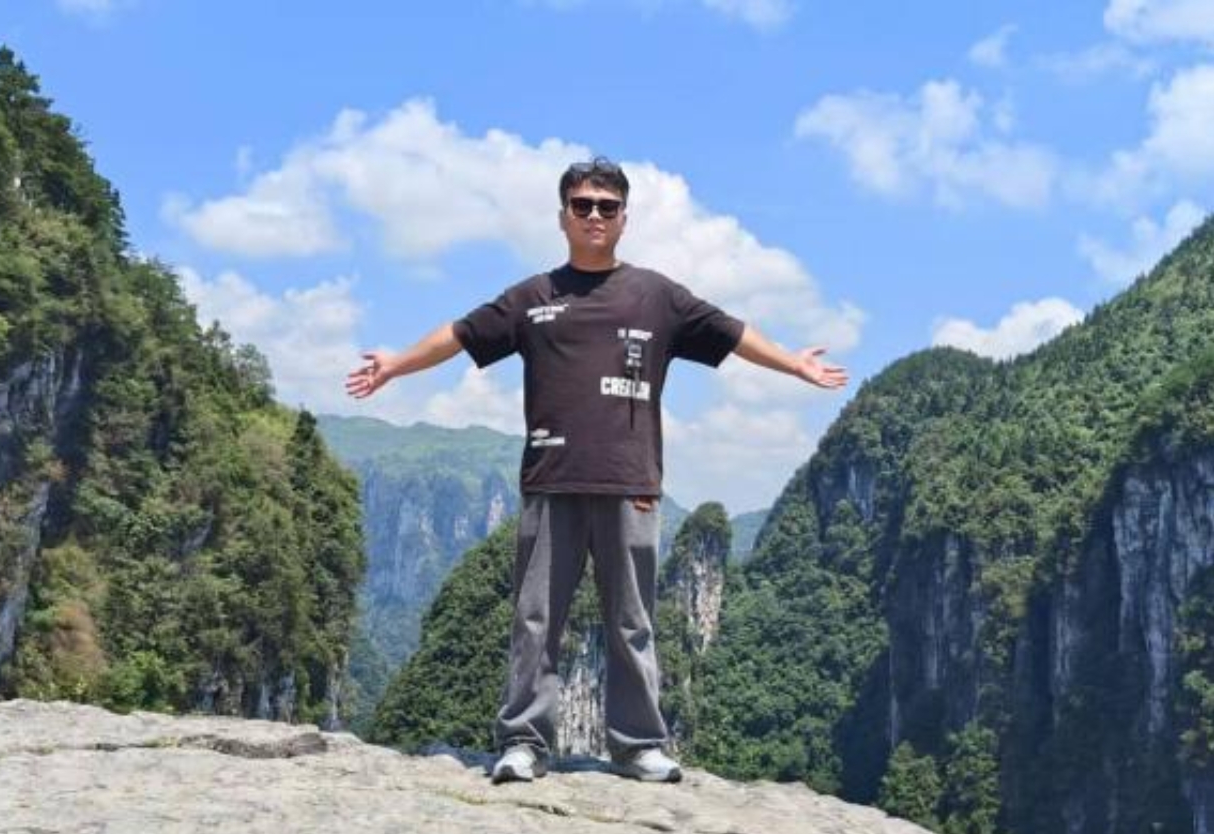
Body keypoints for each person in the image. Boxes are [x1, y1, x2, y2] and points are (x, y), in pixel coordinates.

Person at [346, 157, 848, 785]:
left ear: (623, 219)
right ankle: (524, 741)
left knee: (631, 621)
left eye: (606, 207)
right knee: (536, 619)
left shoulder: (657, 296)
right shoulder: (533, 298)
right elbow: (460, 334)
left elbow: (732, 332)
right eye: (581, 205)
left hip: (630, 484)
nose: (593, 216)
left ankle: (638, 746)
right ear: (562, 216)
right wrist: (395, 364)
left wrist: (794, 364)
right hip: (551, 480)